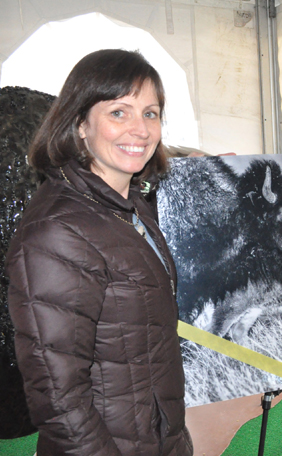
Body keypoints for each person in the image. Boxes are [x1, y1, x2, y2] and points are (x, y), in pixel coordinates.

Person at [5, 49, 193, 455]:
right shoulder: (59, 231)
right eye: (119, 113)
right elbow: (59, 398)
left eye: (150, 113)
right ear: (80, 125)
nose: (140, 130)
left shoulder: (131, 209)